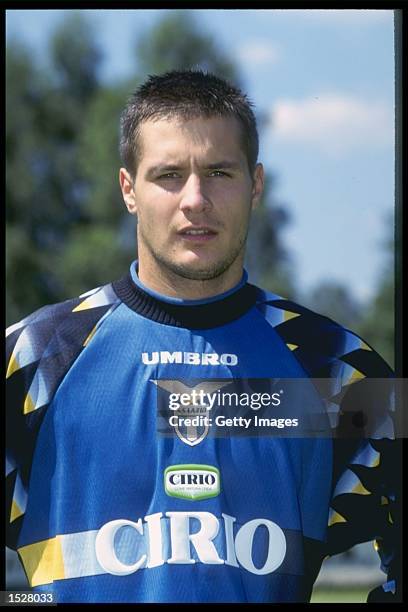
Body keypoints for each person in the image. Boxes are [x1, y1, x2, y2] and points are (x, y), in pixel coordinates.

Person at [6, 70, 400, 603]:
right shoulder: (34, 362)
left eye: (219, 172)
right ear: (129, 190)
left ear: (255, 184)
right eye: (168, 175)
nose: (195, 198)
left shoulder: (336, 368)